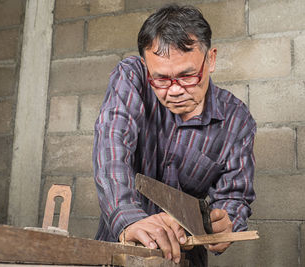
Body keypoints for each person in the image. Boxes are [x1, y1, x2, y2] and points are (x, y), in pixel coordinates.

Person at [93, 4, 256, 266]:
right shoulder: (132, 76)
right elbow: (112, 146)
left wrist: (227, 220)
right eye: (161, 79)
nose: (175, 90)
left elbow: (234, 196)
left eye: (188, 75)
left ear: (211, 59)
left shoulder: (237, 119)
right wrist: (128, 219)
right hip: (119, 251)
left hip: (183, 259)